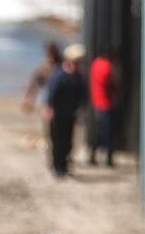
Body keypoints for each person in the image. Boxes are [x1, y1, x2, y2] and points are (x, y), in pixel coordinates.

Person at [41, 43, 86, 178]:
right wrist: (49, 108)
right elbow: (51, 93)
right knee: (57, 141)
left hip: (70, 113)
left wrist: (80, 108)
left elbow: (81, 94)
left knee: (68, 142)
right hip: (58, 114)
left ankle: (65, 166)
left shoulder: (77, 77)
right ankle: (57, 167)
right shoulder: (60, 75)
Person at [88, 47, 119, 167]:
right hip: (106, 104)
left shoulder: (95, 64)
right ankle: (108, 158)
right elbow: (112, 84)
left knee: (101, 130)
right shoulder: (107, 67)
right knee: (107, 132)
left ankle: (93, 155)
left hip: (97, 103)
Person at [22, 41, 62, 115]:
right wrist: (28, 99)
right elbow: (34, 83)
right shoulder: (44, 67)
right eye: (49, 52)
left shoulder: (63, 65)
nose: (50, 54)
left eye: (52, 52)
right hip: (50, 97)